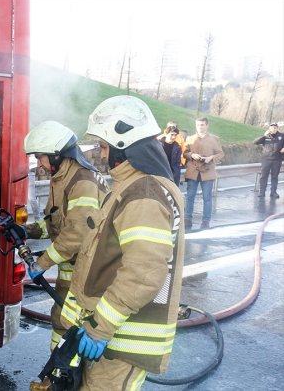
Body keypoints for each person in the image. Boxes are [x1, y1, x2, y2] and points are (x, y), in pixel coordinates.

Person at [56, 96, 184, 391]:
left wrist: (101, 326)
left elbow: (144, 273)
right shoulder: (132, 187)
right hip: (111, 335)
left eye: (104, 147)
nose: (101, 155)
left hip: (121, 340)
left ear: (122, 147)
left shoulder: (144, 194)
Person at [23, 121, 109, 389]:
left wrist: (41, 262)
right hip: (72, 270)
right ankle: (58, 374)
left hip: (89, 270)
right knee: (62, 320)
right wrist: (28, 231)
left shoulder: (81, 180)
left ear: (57, 154)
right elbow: (56, 223)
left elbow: (77, 234)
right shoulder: (61, 178)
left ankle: (65, 380)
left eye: (41, 156)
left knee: (71, 325)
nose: (39, 163)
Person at [183, 117, 224, 230]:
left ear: (207, 126)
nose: (200, 127)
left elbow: (220, 154)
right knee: (190, 196)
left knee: (207, 198)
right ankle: (187, 219)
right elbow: (184, 153)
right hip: (193, 171)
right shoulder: (190, 139)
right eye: (198, 125)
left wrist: (211, 158)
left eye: (202, 125)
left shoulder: (214, 139)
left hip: (208, 171)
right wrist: (191, 155)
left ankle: (206, 221)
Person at [253, 123, 284, 198]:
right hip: (266, 159)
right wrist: (264, 136)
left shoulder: (282, 136)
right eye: (272, 128)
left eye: (275, 128)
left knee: (275, 176)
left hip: (277, 159)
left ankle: (273, 192)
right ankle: (262, 192)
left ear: (277, 128)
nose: (273, 129)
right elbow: (255, 142)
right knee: (264, 176)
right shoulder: (266, 137)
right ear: (269, 129)